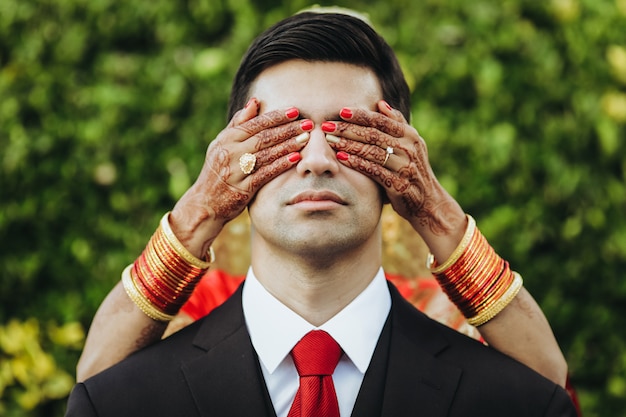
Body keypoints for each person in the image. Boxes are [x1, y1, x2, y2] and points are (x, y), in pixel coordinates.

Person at [66, 9, 577, 417]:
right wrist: (203, 203)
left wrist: (433, 208)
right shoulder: (147, 375)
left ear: (401, 158)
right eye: (282, 135)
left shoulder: (491, 377)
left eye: (349, 133)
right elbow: (97, 381)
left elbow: (547, 385)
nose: (315, 160)